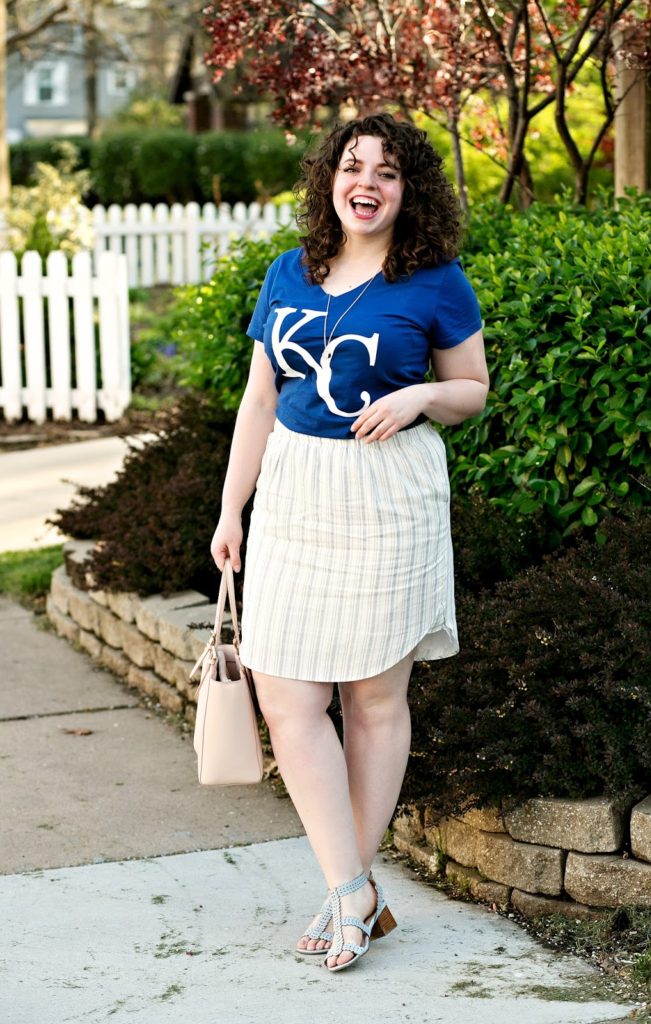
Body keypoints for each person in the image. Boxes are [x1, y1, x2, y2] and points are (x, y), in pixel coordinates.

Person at [210, 112, 488, 973]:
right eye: (353, 165)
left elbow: (472, 388)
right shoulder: (288, 272)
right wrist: (231, 511)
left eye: (389, 172)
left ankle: (347, 894)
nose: (366, 181)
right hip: (296, 492)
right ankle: (356, 888)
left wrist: (418, 400)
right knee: (286, 692)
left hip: (387, 493)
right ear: (330, 179)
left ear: (412, 193)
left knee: (372, 699)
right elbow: (259, 402)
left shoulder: (437, 280)